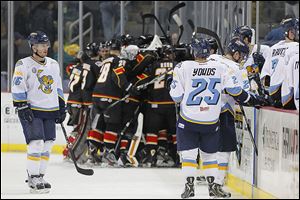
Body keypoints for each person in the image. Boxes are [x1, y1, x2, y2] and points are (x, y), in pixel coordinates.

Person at [168, 37, 267, 198]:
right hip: (211, 120)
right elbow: (235, 91)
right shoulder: (220, 67)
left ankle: (189, 187)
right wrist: (252, 99)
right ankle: (213, 187)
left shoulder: (182, 67)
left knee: (189, 155)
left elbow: (177, 97)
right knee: (211, 156)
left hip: (189, 119)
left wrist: (171, 85)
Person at [11, 31, 66, 193]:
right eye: (41, 45)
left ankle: (40, 175)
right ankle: (33, 177)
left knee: (48, 144)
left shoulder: (53, 64)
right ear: (33, 47)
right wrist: (21, 105)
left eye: (46, 45)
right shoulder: (23, 64)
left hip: (50, 109)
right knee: (36, 142)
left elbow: (57, 87)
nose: (45, 48)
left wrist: (62, 107)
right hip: (31, 109)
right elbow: (17, 85)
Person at [261, 17, 299, 108]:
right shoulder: (295, 47)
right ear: (290, 32)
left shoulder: (273, 48)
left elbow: (265, 76)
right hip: (287, 95)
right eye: (295, 30)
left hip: (273, 94)